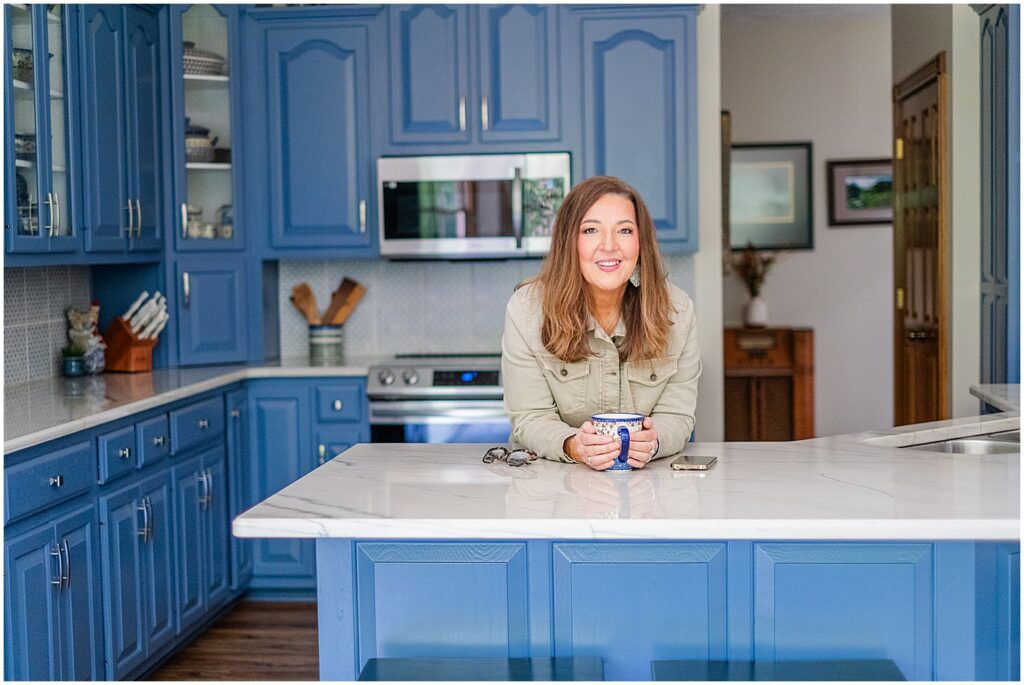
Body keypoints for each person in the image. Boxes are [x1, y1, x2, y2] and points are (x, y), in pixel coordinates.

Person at [501, 175, 701, 470]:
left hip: (649, 490)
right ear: (570, 241)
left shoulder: (677, 311)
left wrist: (654, 441)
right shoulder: (527, 310)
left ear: (640, 242)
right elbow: (530, 417)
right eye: (591, 230)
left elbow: (678, 416)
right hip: (551, 491)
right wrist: (573, 446)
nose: (609, 246)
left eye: (624, 230)